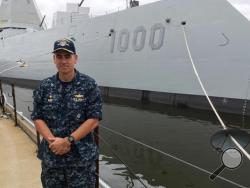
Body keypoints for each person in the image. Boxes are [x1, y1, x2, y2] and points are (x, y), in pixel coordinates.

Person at [31, 38, 102, 188]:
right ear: (54, 59)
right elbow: (37, 117)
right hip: (52, 159)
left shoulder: (89, 85)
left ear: (75, 58)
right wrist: (53, 142)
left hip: (80, 162)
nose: (63, 61)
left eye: (67, 56)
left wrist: (67, 141)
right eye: (59, 56)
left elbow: (94, 119)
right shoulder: (44, 86)